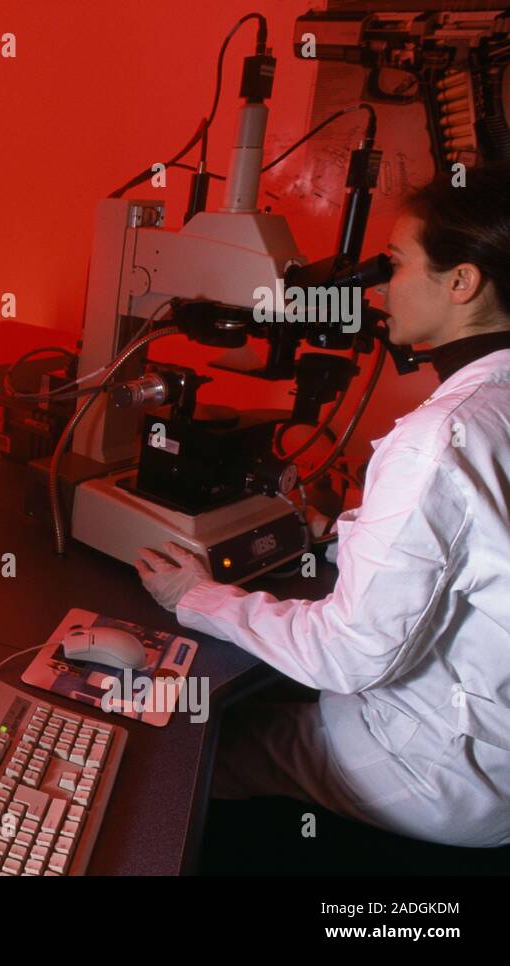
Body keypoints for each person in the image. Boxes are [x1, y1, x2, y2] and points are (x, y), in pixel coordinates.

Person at [135, 165, 510, 848]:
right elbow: (469, 554)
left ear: (462, 283)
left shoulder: (439, 439)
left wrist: (194, 596)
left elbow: (348, 656)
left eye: (394, 264)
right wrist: (336, 535)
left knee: (179, 752)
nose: (381, 286)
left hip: (437, 772)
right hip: (491, 753)